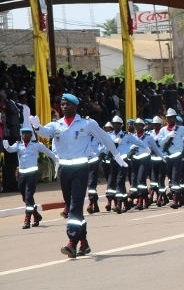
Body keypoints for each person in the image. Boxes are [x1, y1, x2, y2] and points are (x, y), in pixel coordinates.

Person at [31, 93, 126, 258]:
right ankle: (84, 242)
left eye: (67, 104)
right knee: (72, 209)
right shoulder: (57, 124)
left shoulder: (88, 124)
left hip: (80, 169)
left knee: (75, 206)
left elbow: (105, 138)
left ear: (76, 106)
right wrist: (38, 127)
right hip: (64, 170)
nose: (64, 107)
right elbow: (46, 133)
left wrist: (116, 155)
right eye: (62, 104)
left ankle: (72, 242)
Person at [3, 128, 59, 229]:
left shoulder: (36, 145)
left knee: (29, 196)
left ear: (30, 135)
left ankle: (27, 220)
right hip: (22, 173)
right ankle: (36, 215)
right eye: (23, 134)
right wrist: (6, 146)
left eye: (26, 134)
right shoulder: (18, 144)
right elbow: (11, 149)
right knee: (25, 197)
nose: (24, 136)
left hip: (32, 173)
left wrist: (57, 160)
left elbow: (48, 152)